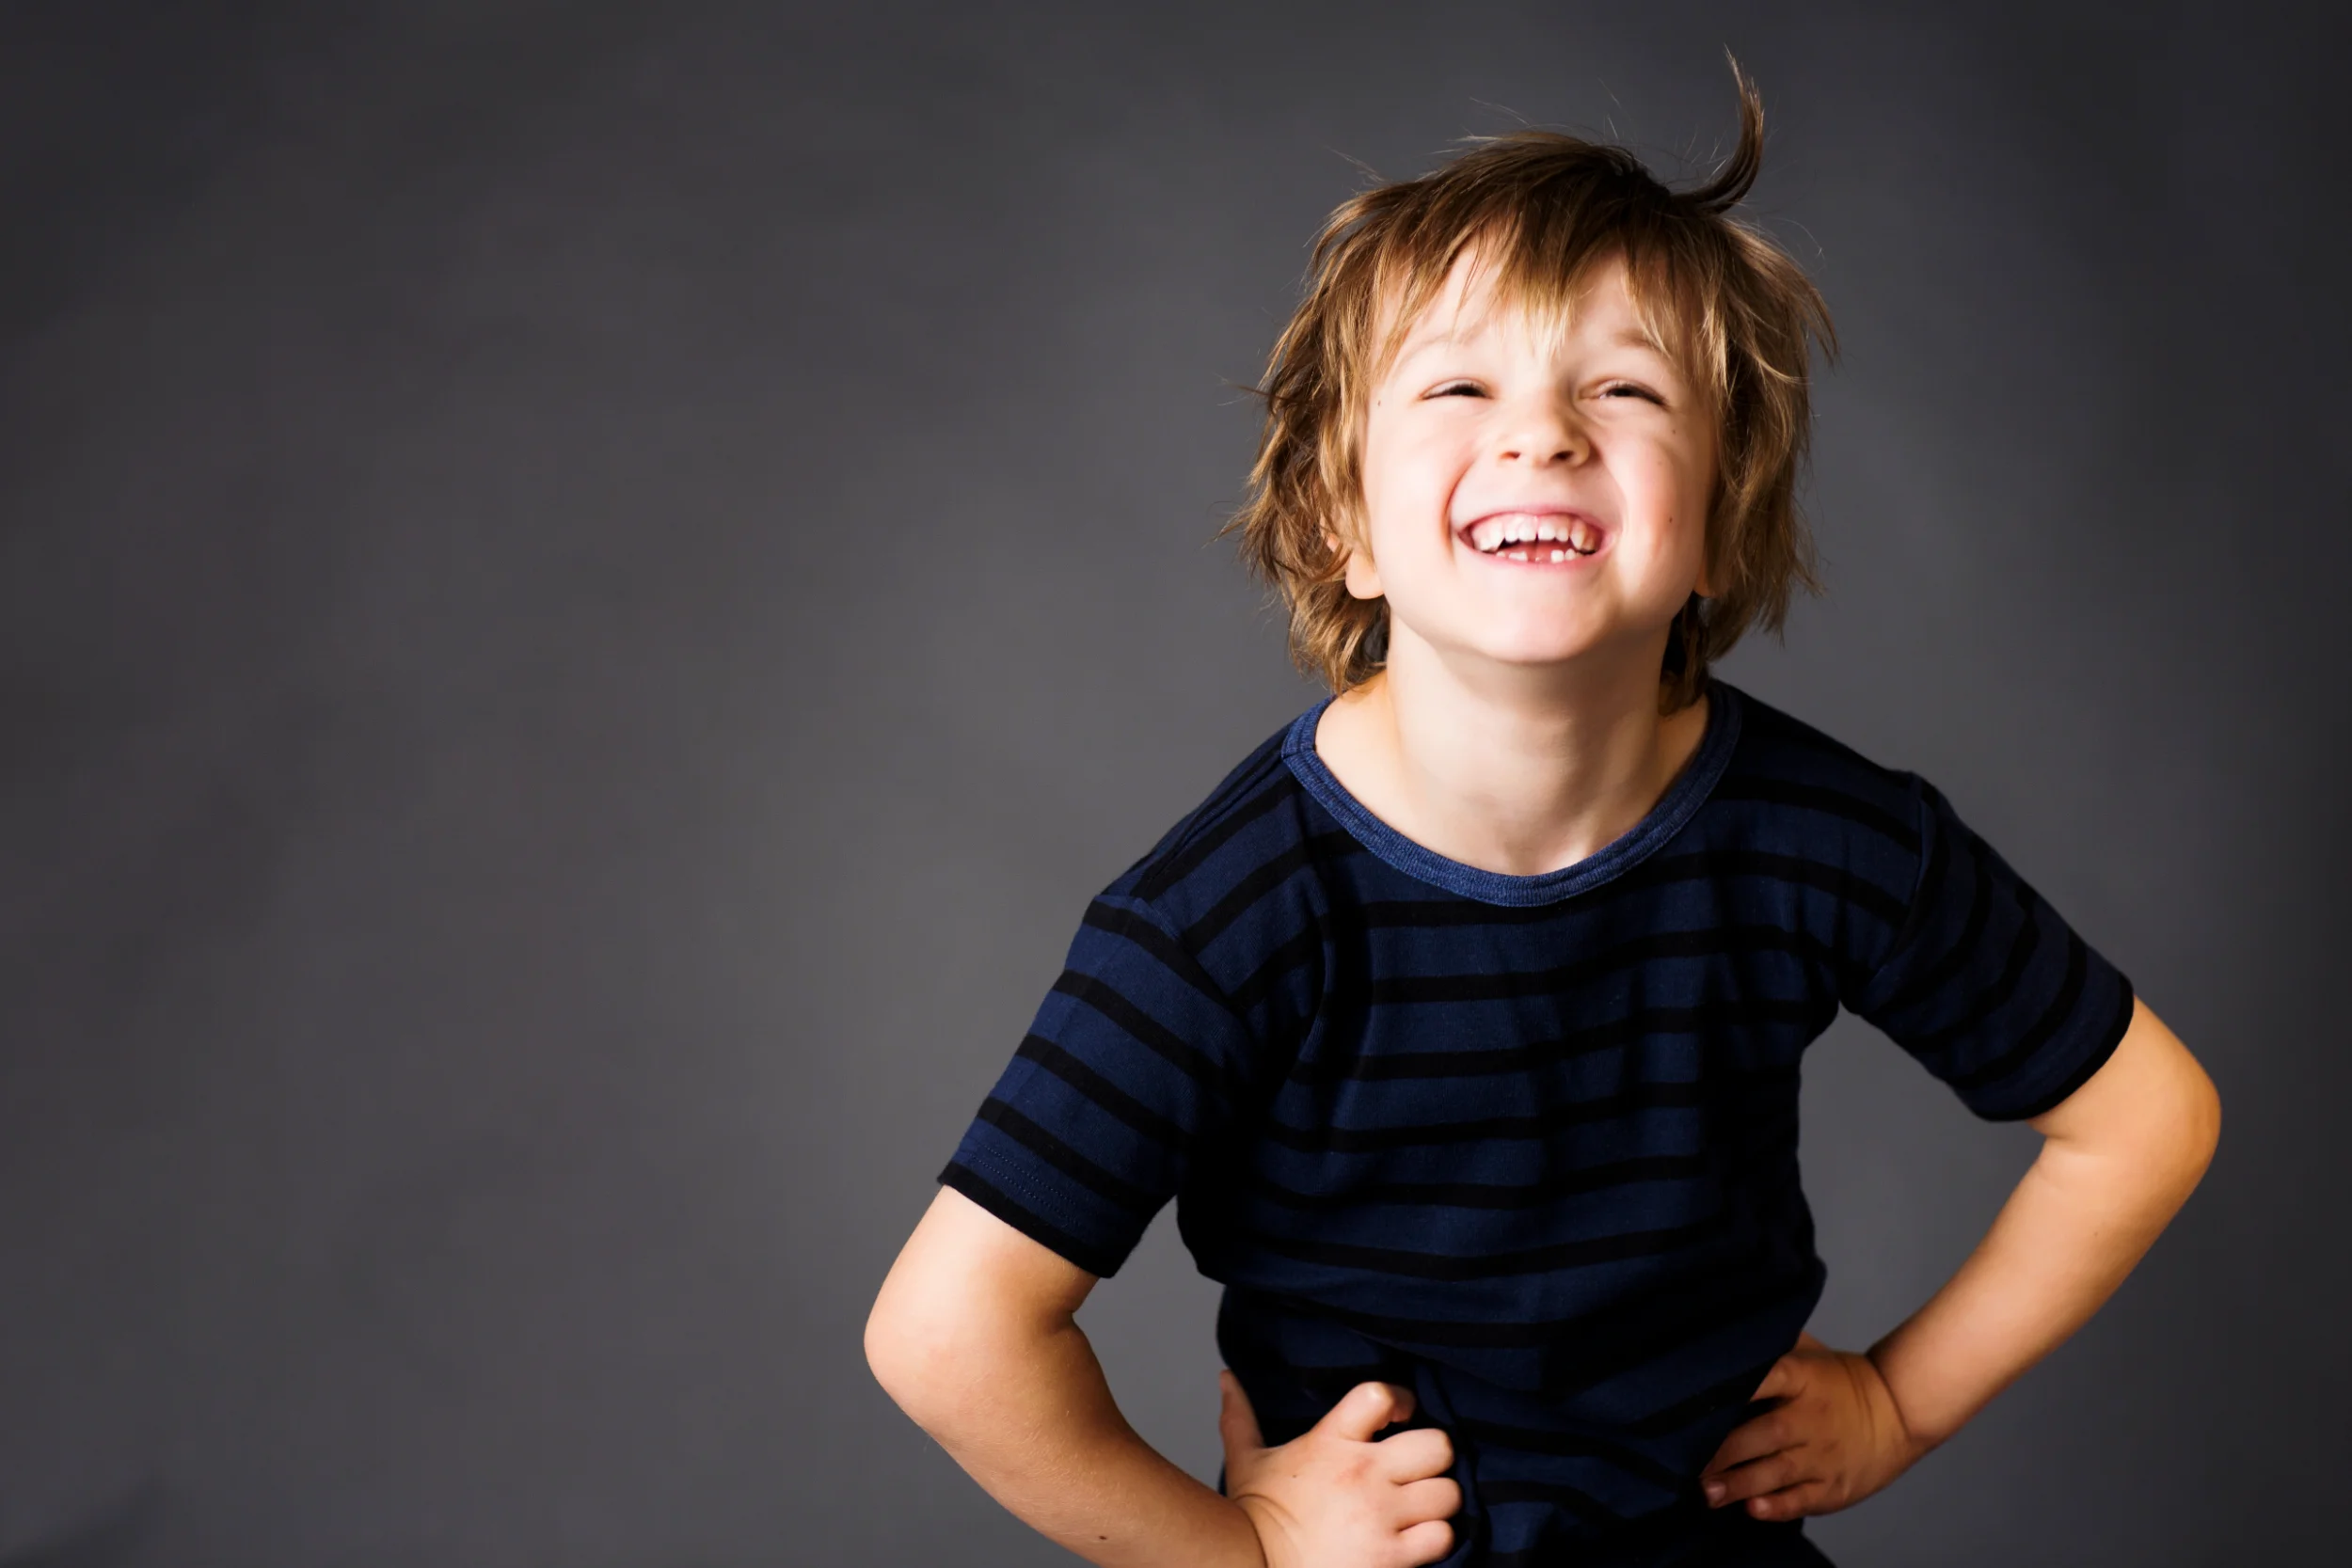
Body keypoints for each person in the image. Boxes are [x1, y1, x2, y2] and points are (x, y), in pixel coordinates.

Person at [863, 60, 2220, 1568]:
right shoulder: (1227, 914)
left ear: (1720, 522)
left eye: (1624, 389)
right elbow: (948, 1334)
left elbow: (2145, 1120)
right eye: (1460, 387)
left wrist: (1901, 1400)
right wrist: (1244, 1556)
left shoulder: (1830, 839)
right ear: (1341, 520)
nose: (1545, 434)